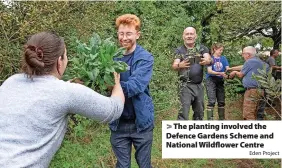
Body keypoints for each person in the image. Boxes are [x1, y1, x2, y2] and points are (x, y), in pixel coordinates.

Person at [0, 31, 125, 168]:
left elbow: (44, 91)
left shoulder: (11, 82)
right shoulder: (66, 93)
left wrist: (70, 85)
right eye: (65, 56)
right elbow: (114, 109)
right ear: (59, 61)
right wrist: (116, 84)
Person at [109, 14, 154, 168]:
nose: (124, 37)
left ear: (137, 35)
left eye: (128, 34)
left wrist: (111, 86)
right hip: (119, 123)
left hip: (141, 123)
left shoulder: (146, 58)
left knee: (144, 164)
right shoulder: (111, 58)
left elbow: (135, 86)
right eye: (121, 33)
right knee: (122, 165)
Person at [172, 27, 212, 120]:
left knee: (199, 113)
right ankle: (181, 134)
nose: (189, 36)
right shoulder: (179, 50)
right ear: (183, 36)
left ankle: (196, 133)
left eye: (191, 34)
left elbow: (209, 59)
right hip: (184, 86)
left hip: (199, 86)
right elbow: (174, 65)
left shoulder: (202, 48)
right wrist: (179, 65)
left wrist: (207, 60)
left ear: (195, 36)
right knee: (183, 114)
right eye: (187, 34)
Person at [229, 46, 268, 120]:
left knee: (248, 114)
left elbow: (240, 75)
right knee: (259, 114)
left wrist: (234, 72)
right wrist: (231, 68)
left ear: (248, 54)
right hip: (263, 91)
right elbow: (244, 67)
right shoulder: (262, 63)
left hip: (252, 91)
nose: (242, 55)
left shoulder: (249, 62)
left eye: (243, 53)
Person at [206, 43, 230, 120]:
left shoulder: (223, 58)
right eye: (220, 50)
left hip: (220, 80)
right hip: (211, 80)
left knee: (221, 101)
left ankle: (222, 120)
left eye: (222, 50)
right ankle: (210, 121)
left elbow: (227, 69)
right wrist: (220, 73)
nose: (221, 51)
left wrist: (228, 74)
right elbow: (209, 71)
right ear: (215, 49)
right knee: (212, 101)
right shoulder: (210, 58)